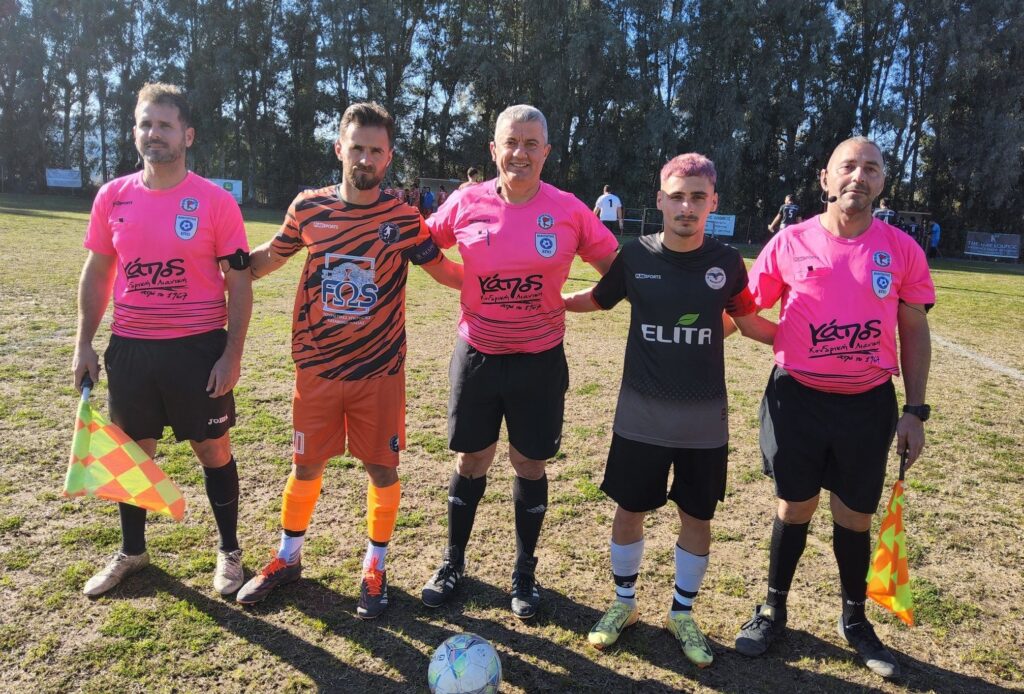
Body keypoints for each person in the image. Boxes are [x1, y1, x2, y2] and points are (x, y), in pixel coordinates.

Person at [235, 102, 462, 619]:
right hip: (316, 368)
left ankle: (375, 566)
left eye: (375, 151)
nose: (365, 158)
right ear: (339, 148)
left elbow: (446, 272)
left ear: (389, 157)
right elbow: (267, 259)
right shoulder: (308, 208)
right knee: (305, 465)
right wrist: (220, 266)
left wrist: (505, 286)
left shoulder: (403, 219)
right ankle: (288, 558)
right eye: (357, 147)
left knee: (382, 468)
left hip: (378, 371)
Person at [563, 153, 776, 666]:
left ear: (713, 203)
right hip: (641, 416)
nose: (686, 207)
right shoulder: (636, 256)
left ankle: (682, 613)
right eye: (677, 196)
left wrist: (811, 341)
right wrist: (546, 299)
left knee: (696, 515)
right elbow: (597, 298)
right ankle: (624, 603)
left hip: (704, 423)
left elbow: (748, 322)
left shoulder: (727, 263)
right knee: (629, 509)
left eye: (697, 197)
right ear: (659, 200)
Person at [734, 137, 935, 680]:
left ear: (882, 182)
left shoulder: (902, 250)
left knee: (855, 516)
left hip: (867, 405)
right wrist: (776, 339)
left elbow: (914, 329)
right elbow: (744, 311)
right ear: (825, 178)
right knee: (793, 507)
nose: (858, 176)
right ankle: (773, 610)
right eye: (848, 166)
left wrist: (915, 410)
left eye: (871, 168)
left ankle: (855, 620)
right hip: (796, 401)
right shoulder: (789, 242)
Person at [420, 104, 619, 619]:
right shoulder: (466, 201)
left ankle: (525, 572)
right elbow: (423, 243)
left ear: (546, 152)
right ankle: (453, 562)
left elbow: (617, 272)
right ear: (494, 149)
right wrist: (457, 278)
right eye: (511, 142)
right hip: (477, 356)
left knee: (529, 463)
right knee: (471, 460)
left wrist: (578, 302)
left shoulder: (570, 210)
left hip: (539, 360)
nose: (520, 153)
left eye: (532, 144)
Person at [72, 82, 253, 597]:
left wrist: (231, 353)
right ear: (135, 131)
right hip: (132, 348)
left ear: (187, 135)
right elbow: (98, 272)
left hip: (197, 349)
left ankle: (229, 551)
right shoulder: (112, 196)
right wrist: (84, 343)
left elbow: (240, 282)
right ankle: (132, 552)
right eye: (145, 124)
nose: (154, 134)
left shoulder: (215, 202)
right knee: (132, 454)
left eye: (165, 125)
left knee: (212, 449)